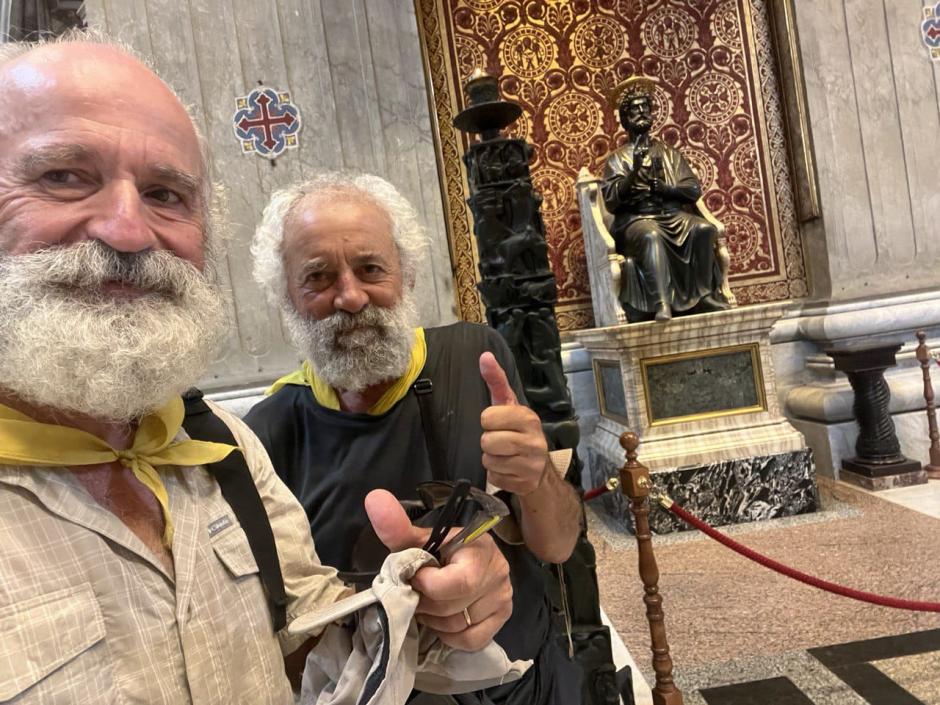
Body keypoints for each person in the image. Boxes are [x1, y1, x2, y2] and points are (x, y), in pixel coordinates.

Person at [0, 33, 514, 704]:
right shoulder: (270, 421)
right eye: (62, 176)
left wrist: (433, 603)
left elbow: (303, 642)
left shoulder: (220, 448)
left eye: (165, 193)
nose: (127, 230)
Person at [245, 172, 584, 704]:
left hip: (524, 685)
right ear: (286, 297)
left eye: (370, 268)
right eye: (318, 277)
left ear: (406, 274)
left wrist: (536, 475)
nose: (351, 297)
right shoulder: (269, 432)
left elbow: (558, 545)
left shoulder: (477, 356)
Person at [602, 75, 730, 323]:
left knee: (703, 229)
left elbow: (692, 190)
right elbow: (611, 201)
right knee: (651, 235)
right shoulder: (617, 159)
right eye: (634, 110)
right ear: (625, 119)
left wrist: (666, 189)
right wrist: (633, 173)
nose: (640, 113)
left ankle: (704, 296)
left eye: (644, 108)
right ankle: (661, 302)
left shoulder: (670, 153)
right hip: (636, 220)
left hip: (672, 215)